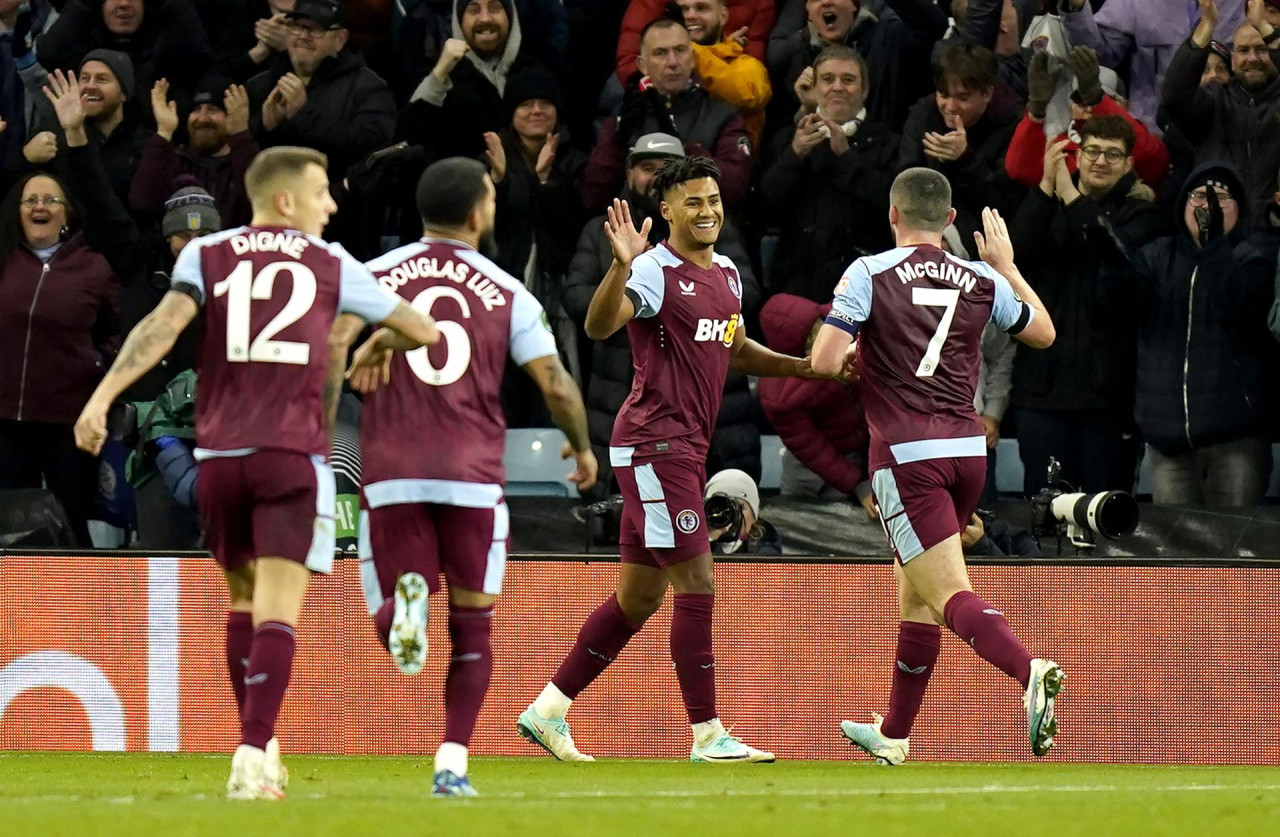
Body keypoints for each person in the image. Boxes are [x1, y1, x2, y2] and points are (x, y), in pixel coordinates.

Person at [72, 145, 443, 800]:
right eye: (322, 191)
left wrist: (102, 399)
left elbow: (161, 327)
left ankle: (261, 744)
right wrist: (377, 341)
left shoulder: (203, 255)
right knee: (278, 611)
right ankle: (251, 750)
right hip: (290, 459)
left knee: (241, 604)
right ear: (284, 200)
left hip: (217, 464)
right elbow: (424, 329)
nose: (331, 204)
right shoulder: (331, 263)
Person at [519, 157, 824, 764]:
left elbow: (734, 348)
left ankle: (547, 711)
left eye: (713, 199)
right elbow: (601, 324)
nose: (707, 210)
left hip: (680, 446)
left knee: (638, 598)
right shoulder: (654, 269)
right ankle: (708, 733)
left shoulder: (730, 273)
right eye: (693, 202)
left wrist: (802, 367)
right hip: (655, 446)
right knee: (698, 580)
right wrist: (620, 264)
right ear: (667, 211)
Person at [346, 157, 596, 798]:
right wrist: (582, 449)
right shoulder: (508, 291)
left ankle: (406, 604)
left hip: (392, 474)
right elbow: (556, 385)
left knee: (393, 611)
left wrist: (367, 351)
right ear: (481, 212)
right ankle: (452, 764)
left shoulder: (376, 275)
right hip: (474, 477)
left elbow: (329, 349)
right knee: (474, 626)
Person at [810, 168, 1063, 763]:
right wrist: (1006, 267)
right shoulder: (979, 278)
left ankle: (1031, 671)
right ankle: (895, 735)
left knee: (946, 591)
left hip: (905, 457)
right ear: (950, 221)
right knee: (915, 592)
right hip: (968, 453)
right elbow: (1045, 333)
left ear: (892, 213)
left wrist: (851, 353)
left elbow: (822, 362)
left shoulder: (868, 272)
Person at [0, 71, 131, 548]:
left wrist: (95, 366)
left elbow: (118, 332)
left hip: (68, 421)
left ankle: (77, 618)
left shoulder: (95, 266)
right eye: (29, 199)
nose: (39, 206)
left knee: (71, 528)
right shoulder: (2, 257)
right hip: (4, 422)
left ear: (66, 213)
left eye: (50, 199)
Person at [1007, 115, 1167, 497]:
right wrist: (1046, 187)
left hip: (1108, 398)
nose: (1100, 161)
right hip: (1041, 392)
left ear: (1129, 163)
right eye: (1092, 150)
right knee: (1044, 513)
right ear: (1078, 155)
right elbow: (1014, 255)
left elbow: (1115, 253)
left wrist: (1073, 197)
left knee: (1103, 515)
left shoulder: (1143, 214)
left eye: (1113, 154)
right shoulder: (1047, 206)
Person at [1102, 164, 1274, 508]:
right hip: (1167, 441)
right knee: (1180, 558)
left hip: (1235, 438)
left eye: (1221, 197)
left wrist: (1213, 248)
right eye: (1198, 196)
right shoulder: (1155, 255)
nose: (1208, 205)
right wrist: (1113, 263)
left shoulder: (1253, 256)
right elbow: (1120, 307)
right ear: (1182, 205)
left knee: (1236, 550)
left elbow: (1236, 306)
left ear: (1239, 207)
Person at [760, 44, 898, 299]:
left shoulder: (887, 142)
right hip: (795, 286)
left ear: (865, 91)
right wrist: (795, 155)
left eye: (848, 80)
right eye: (827, 79)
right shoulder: (788, 139)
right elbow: (763, 207)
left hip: (864, 285)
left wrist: (846, 157)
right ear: (814, 89)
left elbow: (891, 207)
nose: (837, 87)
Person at [581, 18, 754, 213]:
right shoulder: (623, 116)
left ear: (693, 58)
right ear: (642, 65)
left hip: (700, 231)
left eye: (680, 50)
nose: (672, 62)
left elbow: (734, 190)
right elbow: (593, 197)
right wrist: (617, 144)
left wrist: (683, 150)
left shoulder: (723, 115)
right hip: (635, 232)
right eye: (661, 53)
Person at [1160, 0, 1280, 216]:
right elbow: (1174, 96)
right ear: (1233, 61)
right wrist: (1206, 25)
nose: (1252, 58)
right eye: (1243, 50)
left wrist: (1263, 26)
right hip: (1218, 225)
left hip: (1273, 228)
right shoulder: (1214, 100)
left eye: (1261, 49)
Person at [130, 75, 259, 228]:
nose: (202, 118)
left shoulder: (246, 159)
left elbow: (259, 205)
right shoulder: (173, 160)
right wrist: (164, 132)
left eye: (213, 109)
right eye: (196, 109)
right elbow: (142, 203)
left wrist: (240, 135)